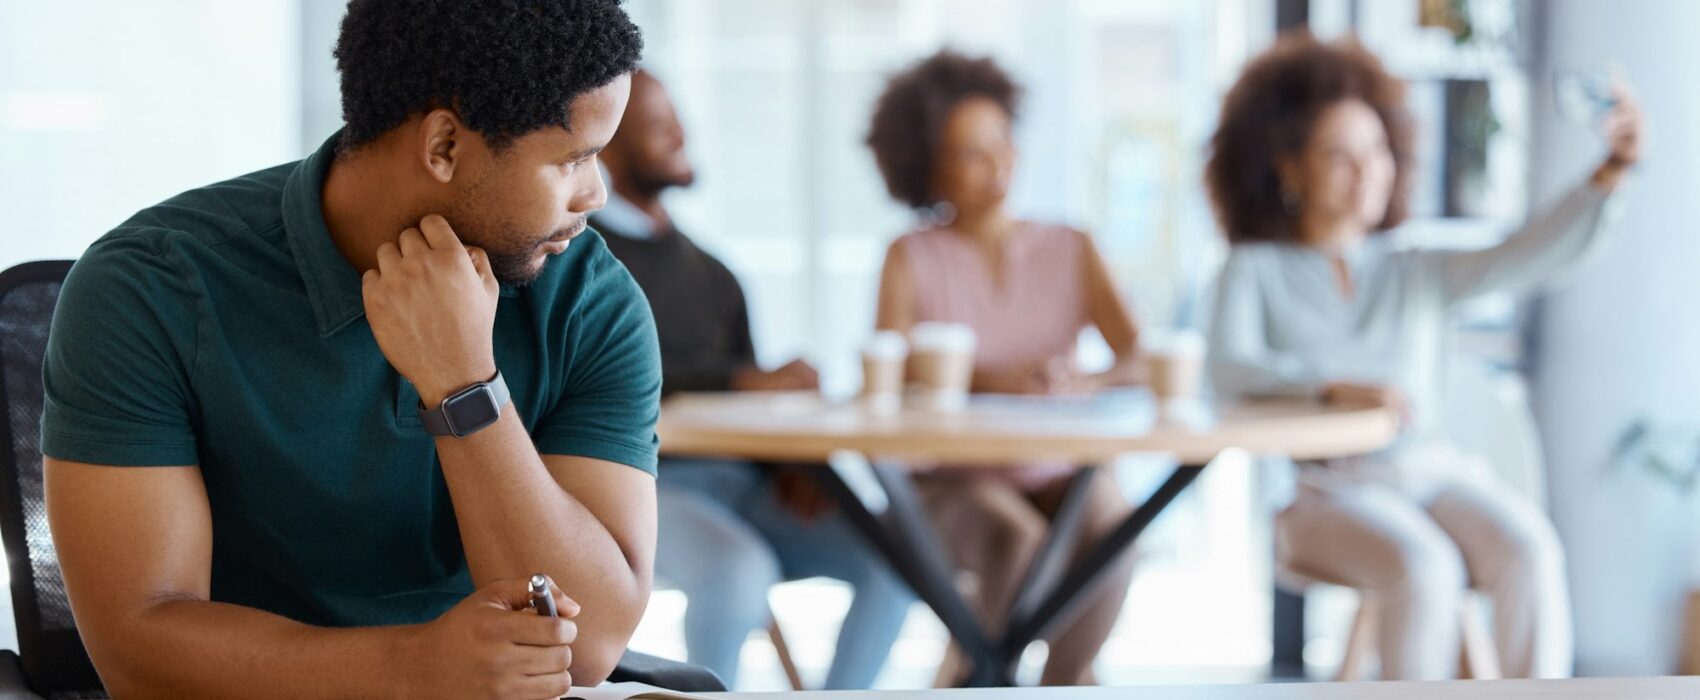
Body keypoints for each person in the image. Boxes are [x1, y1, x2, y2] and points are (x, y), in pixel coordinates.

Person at [41, 2, 658, 697]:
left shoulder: (590, 300)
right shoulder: (148, 288)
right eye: (573, 158)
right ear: (444, 147)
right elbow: (138, 648)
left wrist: (464, 387)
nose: (597, 194)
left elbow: (590, 645)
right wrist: (417, 667)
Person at [1203, 33, 1642, 680]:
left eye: (1377, 151)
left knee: (1529, 550)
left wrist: (1609, 173)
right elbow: (1227, 370)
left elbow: (1523, 255)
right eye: (1339, 155)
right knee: (1425, 567)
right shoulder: (1253, 270)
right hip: (1321, 491)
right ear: (1288, 167)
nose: (1367, 171)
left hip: (1429, 472)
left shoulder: (1414, 269)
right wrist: (1331, 386)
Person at [594, 69, 912, 690]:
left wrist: (792, 466)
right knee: (739, 568)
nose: (682, 137)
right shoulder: (580, 263)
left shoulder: (714, 272)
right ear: (606, 145)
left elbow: (752, 401)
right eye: (660, 127)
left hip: (744, 483)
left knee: (895, 560)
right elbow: (609, 384)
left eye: (679, 122)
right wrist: (738, 381)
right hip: (648, 488)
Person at [866, 50, 1145, 686]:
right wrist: (991, 380)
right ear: (929, 166)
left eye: (1002, 141)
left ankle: (1061, 683)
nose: (997, 163)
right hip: (954, 474)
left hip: (1056, 464)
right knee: (1015, 544)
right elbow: (893, 371)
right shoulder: (909, 257)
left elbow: (1138, 358)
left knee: (1117, 531)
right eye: (970, 151)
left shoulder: (1072, 246)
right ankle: (983, 675)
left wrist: (1084, 381)